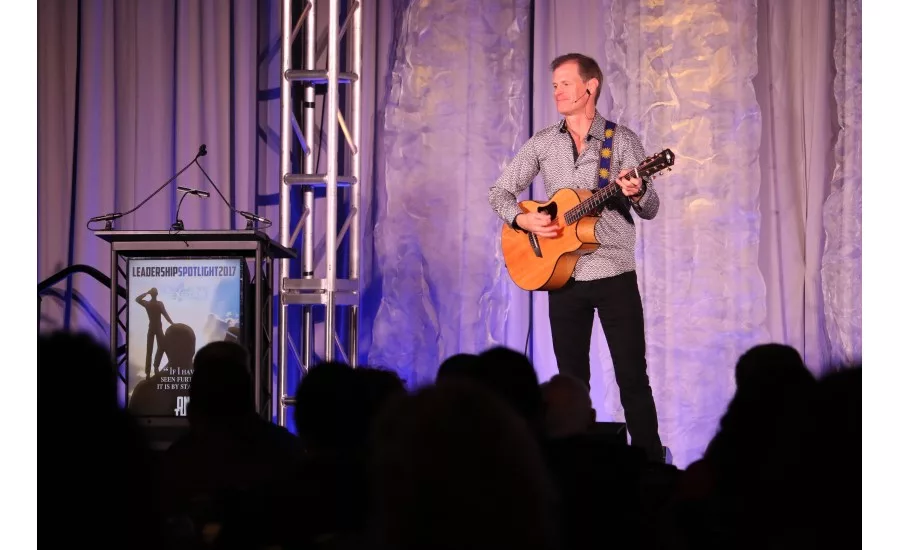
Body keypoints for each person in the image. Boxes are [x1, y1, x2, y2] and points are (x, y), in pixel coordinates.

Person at [488, 52, 663, 461]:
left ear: (590, 87)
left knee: (632, 377)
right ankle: (572, 464)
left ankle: (652, 466)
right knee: (570, 382)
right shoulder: (544, 142)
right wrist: (523, 221)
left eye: (565, 83)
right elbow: (499, 191)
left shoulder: (621, 140)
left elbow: (651, 207)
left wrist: (638, 191)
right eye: (554, 85)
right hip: (561, 275)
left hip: (614, 272)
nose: (557, 91)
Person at [135, 287, 174, 378]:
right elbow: (165, 315)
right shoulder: (159, 304)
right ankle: (154, 368)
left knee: (151, 350)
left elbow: (137, 299)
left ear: (151, 294)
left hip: (152, 328)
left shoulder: (147, 304)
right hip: (156, 328)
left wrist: (146, 293)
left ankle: (149, 372)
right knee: (161, 347)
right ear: (156, 294)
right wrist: (172, 323)